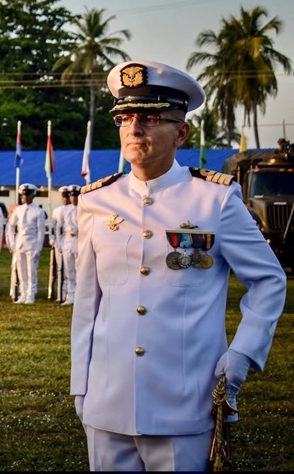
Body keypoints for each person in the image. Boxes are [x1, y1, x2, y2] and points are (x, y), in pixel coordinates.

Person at [71, 60, 287, 471]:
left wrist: (241, 355)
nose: (135, 129)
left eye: (151, 118)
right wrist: (80, 387)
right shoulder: (96, 201)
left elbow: (268, 280)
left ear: (181, 132)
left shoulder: (215, 201)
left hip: (185, 401)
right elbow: (87, 303)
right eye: (126, 118)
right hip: (106, 400)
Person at [7, 183, 46, 304]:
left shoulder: (38, 211)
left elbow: (41, 231)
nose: (25, 197)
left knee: (31, 271)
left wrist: (38, 247)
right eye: (23, 195)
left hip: (32, 242)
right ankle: (23, 293)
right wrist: (12, 242)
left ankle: (31, 294)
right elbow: (11, 226)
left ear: (33, 195)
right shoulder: (18, 210)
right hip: (20, 242)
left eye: (28, 194)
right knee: (21, 270)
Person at [59, 185, 80, 306]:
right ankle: (70, 294)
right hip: (67, 241)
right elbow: (58, 227)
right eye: (71, 196)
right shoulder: (65, 210)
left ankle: (79, 294)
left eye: (75, 195)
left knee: (79, 270)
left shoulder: (84, 209)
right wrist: (59, 242)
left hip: (79, 240)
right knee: (69, 270)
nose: (73, 198)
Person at [48, 186, 69, 300]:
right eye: (64, 197)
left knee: (68, 268)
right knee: (59, 268)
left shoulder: (74, 209)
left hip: (68, 241)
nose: (65, 199)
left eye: (67, 196)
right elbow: (53, 226)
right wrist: (52, 238)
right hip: (58, 242)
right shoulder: (57, 210)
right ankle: (58, 293)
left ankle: (66, 292)